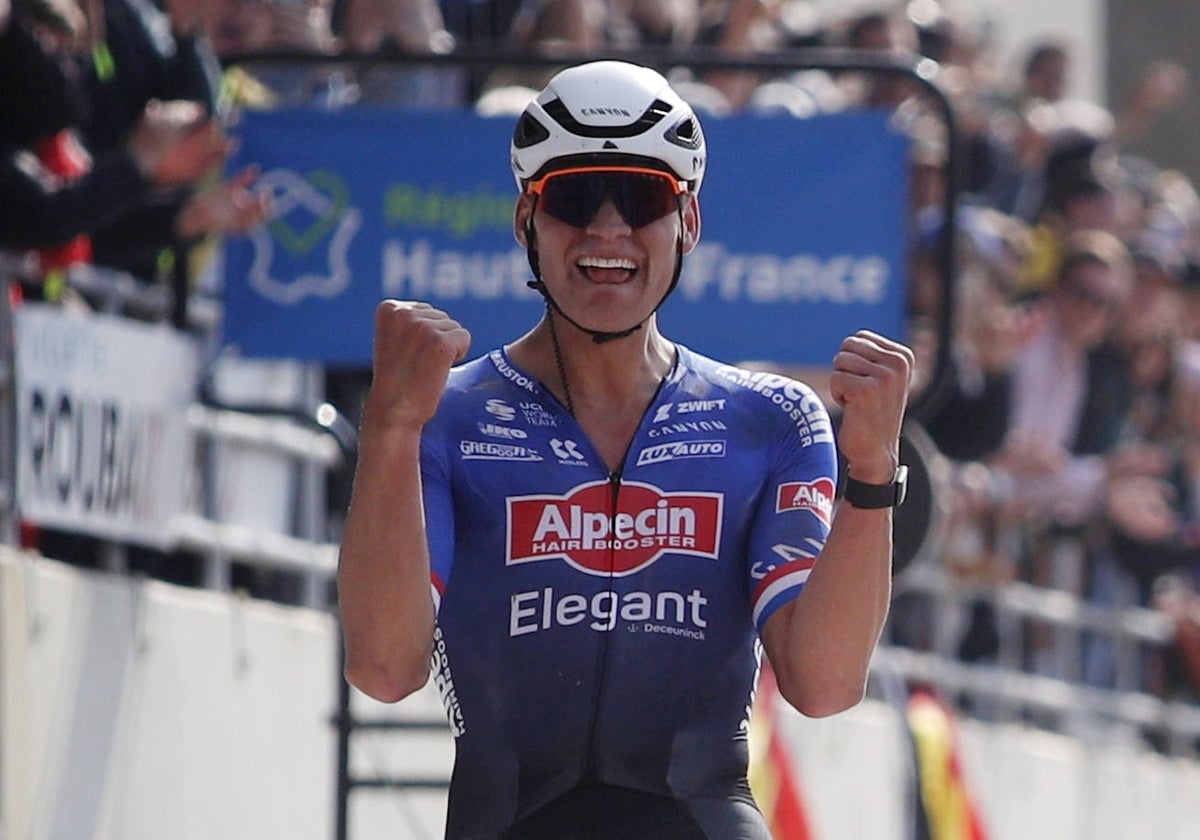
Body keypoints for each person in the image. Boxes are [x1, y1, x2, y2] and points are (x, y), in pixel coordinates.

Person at [337, 60, 913, 838]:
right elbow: (383, 667)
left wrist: (872, 478)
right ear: (525, 222)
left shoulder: (774, 419)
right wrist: (389, 428)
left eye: (642, 198)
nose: (608, 229)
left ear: (689, 224)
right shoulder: (443, 415)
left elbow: (824, 683)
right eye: (575, 198)